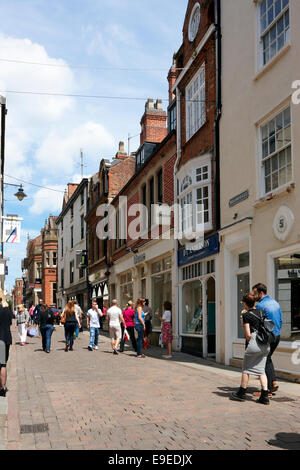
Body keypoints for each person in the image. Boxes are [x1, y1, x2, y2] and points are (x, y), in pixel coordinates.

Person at [230, 294, 270, 405]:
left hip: (254, 344)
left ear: (245, 303)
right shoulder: (261, 312)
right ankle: (265, 395)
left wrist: (243, 317)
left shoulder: (246, 315)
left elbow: (248, 334)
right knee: (261, 370)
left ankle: (241, 393)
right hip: (265, 344)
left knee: (246, 369)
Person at [252, 283, 283, 396]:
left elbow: (257, 324)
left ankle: (267, 390)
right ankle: (273, 382)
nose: (254, 296)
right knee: (267, 358)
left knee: (263, 359)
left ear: (261, 293)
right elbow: (280, 321)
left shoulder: (260, 306)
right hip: (277, 335)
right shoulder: (276, 303)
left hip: (267, 337)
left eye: (255, 293)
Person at [0, 297, 13, 397]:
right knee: (3, 364)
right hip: (5, 338)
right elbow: (9, 323)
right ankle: (3, 388)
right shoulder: (7, 309)